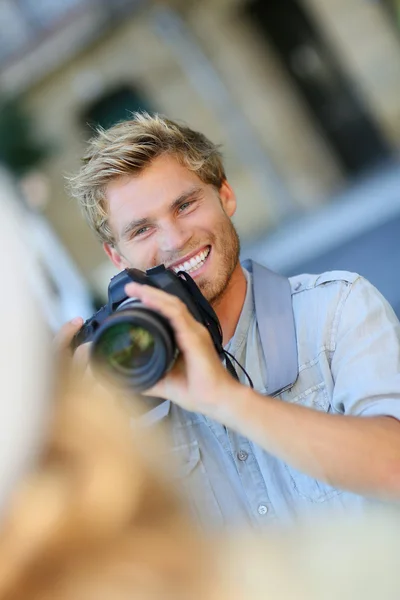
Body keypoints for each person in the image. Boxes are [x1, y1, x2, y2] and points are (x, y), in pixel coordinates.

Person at [61, 112, 400, 528]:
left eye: (185, 205)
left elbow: (394, 467)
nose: (173, 239)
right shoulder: (115, 385)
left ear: (225, 195)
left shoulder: (336, 308)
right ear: (117, 257)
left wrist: (224, 397)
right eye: (142, 230)